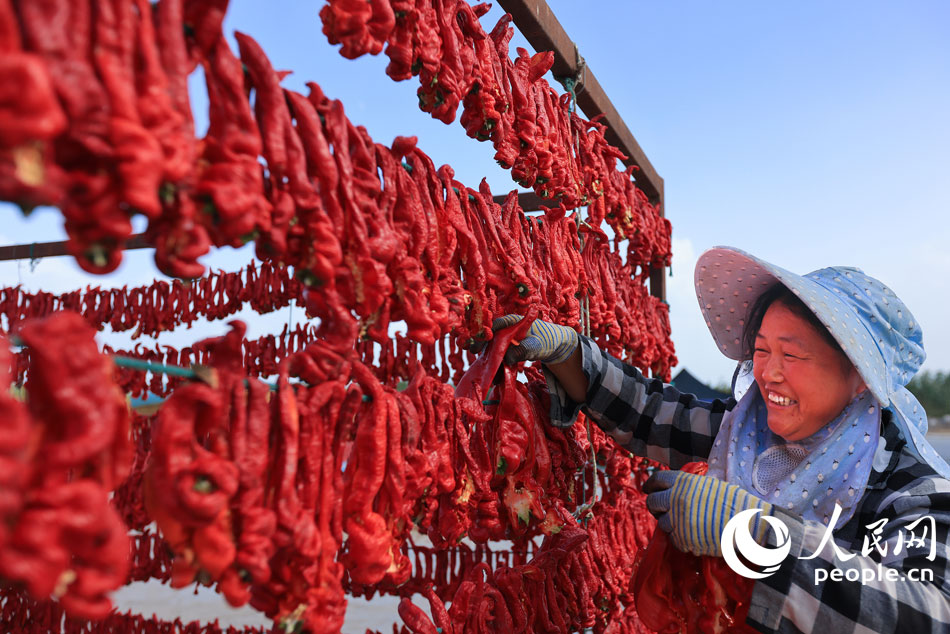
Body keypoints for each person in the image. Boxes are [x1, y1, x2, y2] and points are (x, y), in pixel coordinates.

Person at [494, 246, 950, 633]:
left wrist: (759, 532)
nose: (769, 373)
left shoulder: (908, 486)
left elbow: (933, 613)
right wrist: (569, 353)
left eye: (793, 355)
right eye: (762, 350)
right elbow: (650, 413)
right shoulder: (746, 436)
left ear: (860, 376)